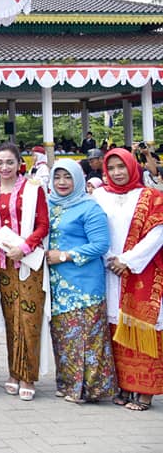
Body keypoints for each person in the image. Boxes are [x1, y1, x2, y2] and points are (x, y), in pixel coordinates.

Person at [91, 148, 163, 412]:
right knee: (114, 327)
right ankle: (123, 384)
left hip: (141, 271)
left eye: (122, 167)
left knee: (143, 329)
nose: (117, 173)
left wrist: (129, 261)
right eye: (111, 168)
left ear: (133, 167)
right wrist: (111, 258)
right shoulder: (99, 196)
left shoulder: (151, 197)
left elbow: (158, 234)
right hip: (109, 269)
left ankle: (145, 391)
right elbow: (94, 230)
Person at [0, 141, 49, 401]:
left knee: (29, 320)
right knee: (10, 319)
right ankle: (13, 371)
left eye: (10, 162)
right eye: (0, 162)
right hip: (2, 263)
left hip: (30, 262)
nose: (5, 167)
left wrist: (24, 246)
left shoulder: (33, 189)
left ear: (20, 163)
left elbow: (43, 225)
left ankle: (28, 375)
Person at [45, 158, 115, 404]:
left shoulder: (89, 207)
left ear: (79, 179)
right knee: (63, 336)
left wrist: (65, 255)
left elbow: (100, 245)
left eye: (68, 177)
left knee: (85, 337)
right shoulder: (49, 203)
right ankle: (66, 384)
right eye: (57, 177)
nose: (62, 182)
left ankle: (88, 389)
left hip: (83, 283)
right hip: (56, 283)